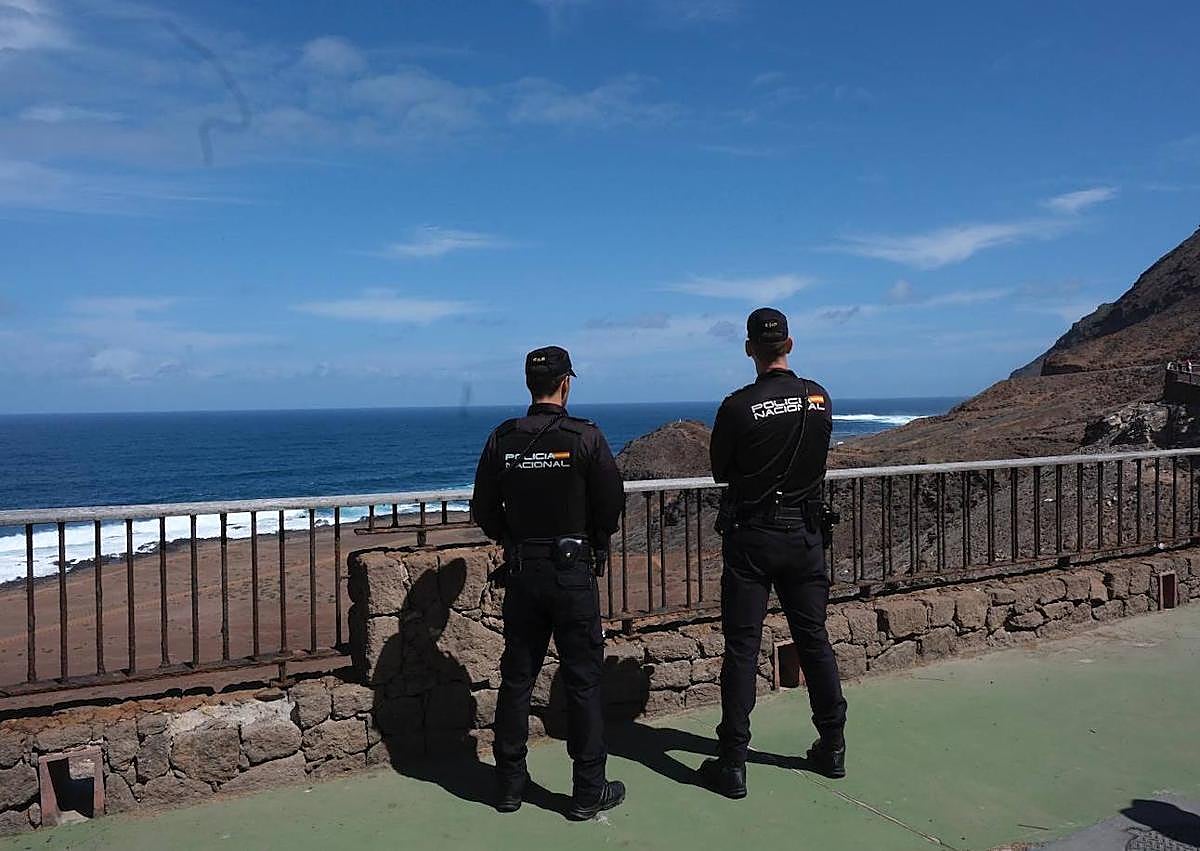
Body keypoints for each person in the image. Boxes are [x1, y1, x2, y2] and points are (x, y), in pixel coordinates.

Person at [698, 307, 848, 800]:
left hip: (754, 537)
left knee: (742, 648)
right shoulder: (820, 397)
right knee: (814, 640)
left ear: (748, 349)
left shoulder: (738, 406)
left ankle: (734, 763)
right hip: (805, 536)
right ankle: (833, 746)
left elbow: (723, 471)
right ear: (791, 343)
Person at [472, 345, 626, 820]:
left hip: (523, 573)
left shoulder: (503, 438)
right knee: (582, 681)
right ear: (567, 383)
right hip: (571, 573)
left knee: (518, 679)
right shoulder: (585, 438)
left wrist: (513, 540)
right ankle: (587, 791)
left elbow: (483, 509)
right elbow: (611, 506)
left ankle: (509, 787)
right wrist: (593, 542)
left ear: (529, 385)